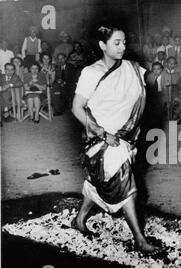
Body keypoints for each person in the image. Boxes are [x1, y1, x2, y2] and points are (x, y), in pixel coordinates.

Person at [71, 25, 161, 254]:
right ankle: (139, 239)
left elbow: (142, 93)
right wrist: (102, 133)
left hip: (126, 137)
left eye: (123, 42)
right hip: (103, 140)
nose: (123, 47)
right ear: (103, 45)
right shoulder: (91, 72)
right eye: (116, 43)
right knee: (126, 185)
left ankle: (79, 219)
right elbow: (77, 108)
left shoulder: (131, 68)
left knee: (98, 180)